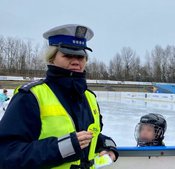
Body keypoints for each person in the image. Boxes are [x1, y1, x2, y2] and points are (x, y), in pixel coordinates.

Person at [0, 24, 118, 169]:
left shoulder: (89, 97)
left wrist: (108, 145)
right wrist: (63, 148)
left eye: (81, 56)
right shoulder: (31, 97)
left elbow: (87, 137)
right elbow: (6, 154)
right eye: (68, 55)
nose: (76, 61)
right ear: (51, 58)